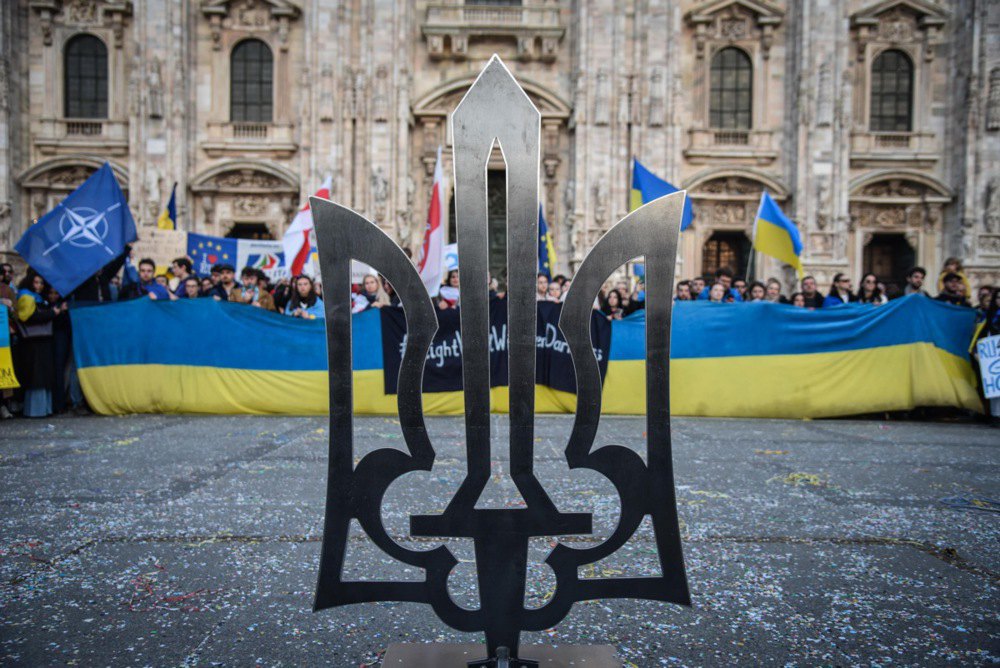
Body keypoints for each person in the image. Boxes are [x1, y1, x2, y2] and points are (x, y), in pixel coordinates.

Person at [13, 271, 61, 417]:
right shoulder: (27, 297)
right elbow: (27, 317)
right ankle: (36, 410)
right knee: (37, 376)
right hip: (33, 342)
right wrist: (53, 313)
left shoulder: (37, 297)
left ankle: (42, 409)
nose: (39, 286)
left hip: (41, 340)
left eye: (40, 283)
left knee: (43, 375)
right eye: (36, 282)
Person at [972, 288, 1000, 426]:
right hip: (993, 355)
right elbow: (982, 335)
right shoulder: (989, 316)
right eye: (998, 298)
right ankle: (995, 415)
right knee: (994, 387)